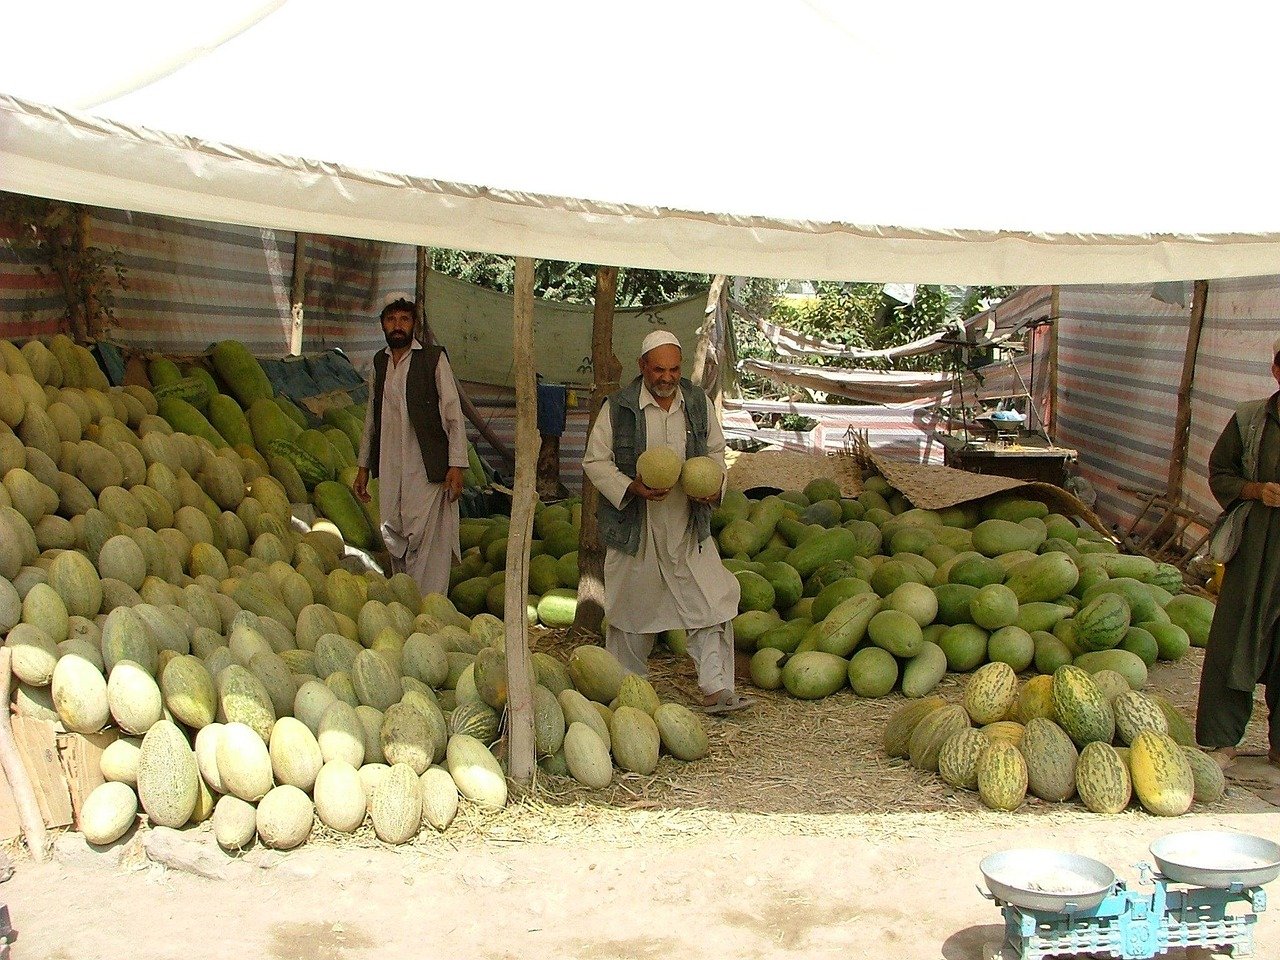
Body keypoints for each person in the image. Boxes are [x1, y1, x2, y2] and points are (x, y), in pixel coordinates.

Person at [582, 330, 753, 714]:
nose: (667, 377)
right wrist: (631, 488)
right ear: (643, 366)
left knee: (712, 602)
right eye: (659, 369)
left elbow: (714, 452)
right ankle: (627, 694)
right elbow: (595, 461)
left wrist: (713, 487)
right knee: (629, 613)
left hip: (686, 525)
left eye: (674, 369)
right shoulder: (618, 407)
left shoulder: (698, 402)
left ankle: (717, 690)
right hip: (636, 529)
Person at [1196, 334, 1280, 783]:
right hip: (1255, 549)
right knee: (1235, 641)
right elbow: (1220, 473)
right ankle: (1221, 740)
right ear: (1277, 371)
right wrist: (1256, 490)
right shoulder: (1250, 419)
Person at [354, 294, 468, 597]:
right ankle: (406, 604)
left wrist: (456, 465)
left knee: (427, 541)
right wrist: (363, 466)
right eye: (391, 320)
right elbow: (371, 419)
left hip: (426, 467)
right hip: (391, 466)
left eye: (404, 319)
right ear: (382, 325)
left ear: (413, 324)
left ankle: (427, 608)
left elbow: (453, 413)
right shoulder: (380, 362)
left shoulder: (433, 359)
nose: (398, 326)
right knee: (395, 534)